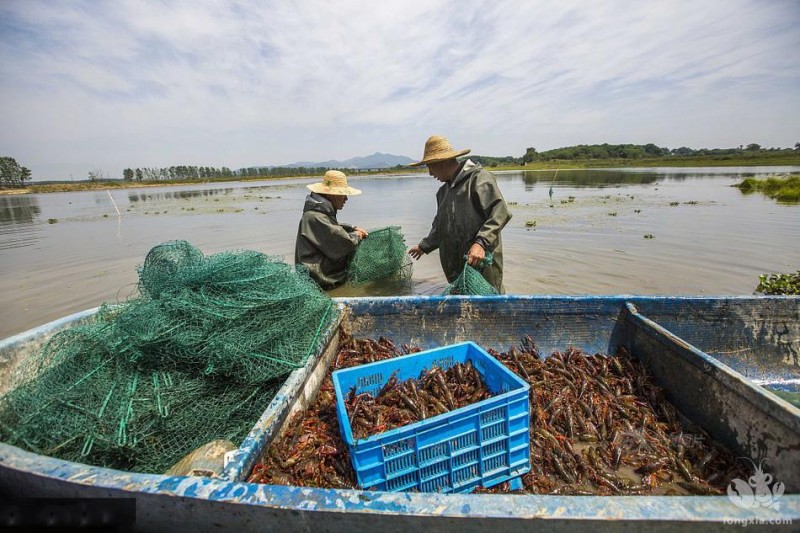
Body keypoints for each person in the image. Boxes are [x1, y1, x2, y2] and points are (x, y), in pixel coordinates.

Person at [408, 135, 511, 293]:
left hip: (482, 267)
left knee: (488, 307)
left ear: (441, 162)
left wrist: (481, 243)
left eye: (430, 166)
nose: (429, 173)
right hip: (456, 272)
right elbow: (439, 227)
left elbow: (500, 212)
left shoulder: (479, 179)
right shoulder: (443, 193)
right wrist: (424, 246)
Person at [295, 170, 368, 289]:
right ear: (332, 194)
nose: (346, 199)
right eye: (343, 195)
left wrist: (352, 228)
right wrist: (358, 235)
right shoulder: (315, 216)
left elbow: (331, 226)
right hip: (317, 278)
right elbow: (344, 242)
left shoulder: (318, 212)